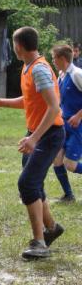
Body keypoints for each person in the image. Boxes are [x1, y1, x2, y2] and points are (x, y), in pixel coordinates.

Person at [0, 27, 65, 260]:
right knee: (34, 184)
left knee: (27, 184)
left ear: (18, 46)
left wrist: (34, 138)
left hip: (49, 135)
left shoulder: (38, 69)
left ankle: (39, 242)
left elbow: (54, 108)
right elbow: (29, 100)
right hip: (38, 133)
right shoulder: (30, 67)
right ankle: (52, 229)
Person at [51, 45, 82, 202]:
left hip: (78, 127)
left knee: (70, 164)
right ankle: (68, 195)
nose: (53, 61)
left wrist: (78, 115)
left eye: (54, 58)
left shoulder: (77, 74)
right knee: (56, 159)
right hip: (63, 125)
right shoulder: (61, 75)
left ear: (62, 59)